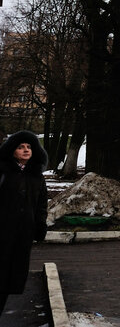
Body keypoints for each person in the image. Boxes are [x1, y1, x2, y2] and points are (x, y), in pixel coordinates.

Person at [0, 131, 49, 315]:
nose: (26, 150)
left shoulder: (36, 176)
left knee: (11, 278)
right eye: (20, 147)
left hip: (22, 235)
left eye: (29, 147)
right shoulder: (3, 171)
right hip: (2, 232)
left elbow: (41, 205)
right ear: (12, 150)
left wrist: (40, 225)